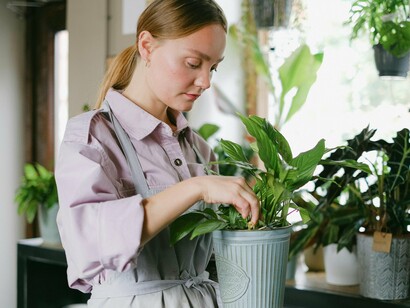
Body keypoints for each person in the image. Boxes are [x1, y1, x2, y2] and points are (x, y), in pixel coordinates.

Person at [55, 0, 259, 307]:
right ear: (147, 46)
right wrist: (195, 187)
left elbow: (211, 257)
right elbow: (89, 248)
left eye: (213, 67)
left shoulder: (198, 148)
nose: (206, 82)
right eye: (193, 63)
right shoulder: (93, 137)